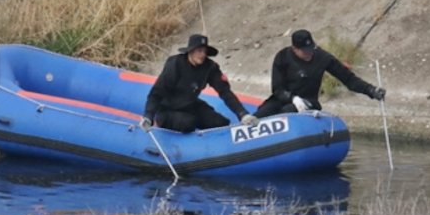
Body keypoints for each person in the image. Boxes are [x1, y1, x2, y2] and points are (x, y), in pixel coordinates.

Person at [140, 34, 259, 134]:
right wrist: (148, 117)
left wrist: (243, 114)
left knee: (220, 123)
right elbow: (156, 93)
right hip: (168, 110)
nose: (202, 55)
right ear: (190, 51)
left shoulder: (210, 67)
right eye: (199, 51)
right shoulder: (175, 65)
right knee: (188, 123)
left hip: (190, 105)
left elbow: (225, 92)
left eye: (205, 51)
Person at [253, 29, 385, 118]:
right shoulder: (282, 57)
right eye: (305, 52)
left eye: (311, 49)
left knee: (287, 112)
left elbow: (348, 79)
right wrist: (293, 98)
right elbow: (277, 89)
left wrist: (371, 90)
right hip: (283, 99)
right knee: (262, 113)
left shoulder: (322, 57)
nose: (310, 54)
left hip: (309, 101)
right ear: (294, 49)